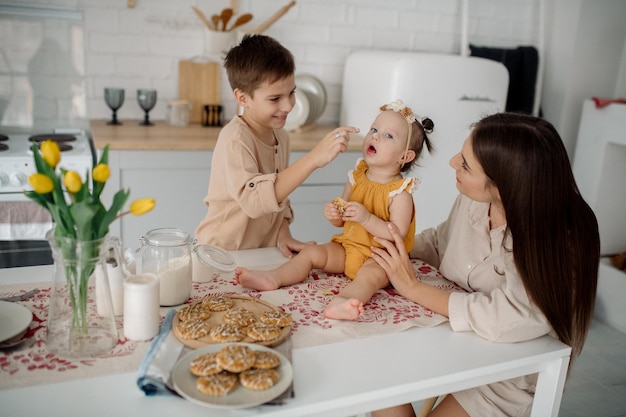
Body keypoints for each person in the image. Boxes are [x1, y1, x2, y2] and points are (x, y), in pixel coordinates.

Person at [369, 112, 600, 417]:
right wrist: (382, 247)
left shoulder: (558, 237)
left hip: (507, 375)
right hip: (458, 345)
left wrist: (412, 287)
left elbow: (510, 316)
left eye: (465, 164)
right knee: (375, 374)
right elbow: (441, 242)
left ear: (504, 186)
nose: (452, 162)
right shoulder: (477, 197)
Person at [236, 100, 434, 320]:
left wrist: (367, 218)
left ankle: (342, 302)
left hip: (380, 258)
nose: (375, 136)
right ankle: (273, 277)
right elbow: (343, 219)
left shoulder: (400, 193)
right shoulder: (356, 176)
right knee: (310, 253)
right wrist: (335, 214)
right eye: (374, 129)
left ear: (404, 157)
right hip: (348, 249)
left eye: (388, 136)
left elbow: (396, 233)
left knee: (367, 278)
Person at [194, 34, 357, 258]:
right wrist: (313, 159)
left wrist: (284, 234)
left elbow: (279, 195)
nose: (288, 105)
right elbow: (255, 201)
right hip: (220, 253)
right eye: (275, 99)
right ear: (243, 98)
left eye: (291, 93)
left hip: (259, 252)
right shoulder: (235, 140)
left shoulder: (281, 136)